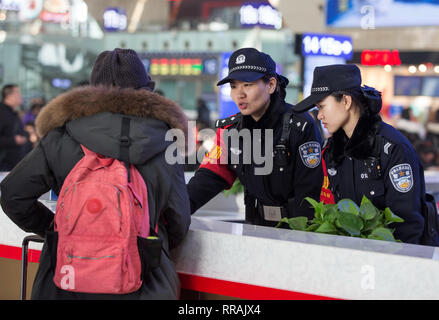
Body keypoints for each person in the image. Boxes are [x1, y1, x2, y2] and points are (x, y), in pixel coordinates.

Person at [0, 48, 191, 299]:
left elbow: (13, 195)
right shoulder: (166, 142)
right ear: (147, 91)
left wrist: (56, 227)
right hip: (145, 283)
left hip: (66, 281)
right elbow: (179, 220)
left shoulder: (61, 136)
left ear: (91, 90)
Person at [187, 48, 324, 226]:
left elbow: (310, 193)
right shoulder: (231, 130)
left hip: (298, 229)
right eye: (234, 86)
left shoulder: (300, 126)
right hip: (255, 227)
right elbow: (209, 177)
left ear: (271, 85)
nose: (239, 93)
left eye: (247, 84)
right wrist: (173, 212)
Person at [293, 64, 428, 244]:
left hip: (393, 260)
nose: (319, 116)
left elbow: (408, 226)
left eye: (322, 107)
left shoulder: (392, 148)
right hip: (351, 260)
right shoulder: (334, 151)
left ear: (346, 101)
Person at [0, 84, 29, 171]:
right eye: (18, 93)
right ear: (9, 95)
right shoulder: (2, 113)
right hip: (4, 165)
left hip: (13, 164)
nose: (21, 96)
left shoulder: (13, 113)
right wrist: (13, 140)